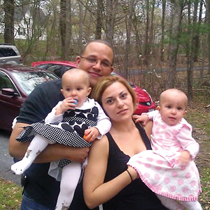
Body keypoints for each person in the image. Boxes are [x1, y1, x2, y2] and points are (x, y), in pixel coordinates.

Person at [9, 40, 114, 210]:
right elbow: (15, 147)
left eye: (105, 63)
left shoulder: (111, 100)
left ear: (111, 71)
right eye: (92, 59)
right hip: (41, 201)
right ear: (78, 61)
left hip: (88, 203)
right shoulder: (45, 93)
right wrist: (69, 152)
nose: (97, 66)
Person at [83, 75, 169, 209]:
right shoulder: (103, 142)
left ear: (132, 98)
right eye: (110, 101)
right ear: (102, 108)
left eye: (123, 96)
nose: (120, 104)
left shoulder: (146, 127)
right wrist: (131, 174)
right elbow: (91, 199)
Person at [128, 89, 202, 210]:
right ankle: (177, 208)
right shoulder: (157, 116)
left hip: (177, 164)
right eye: (169, 107)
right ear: (159, 109)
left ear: (184, 113)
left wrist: (187, 153)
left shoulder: (180, 127)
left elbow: (192, 144)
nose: (173, 112)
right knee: (160, 192)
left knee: (189, 201)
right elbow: (152, 114)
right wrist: (145, 116)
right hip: (160, 161)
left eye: (179, 109)